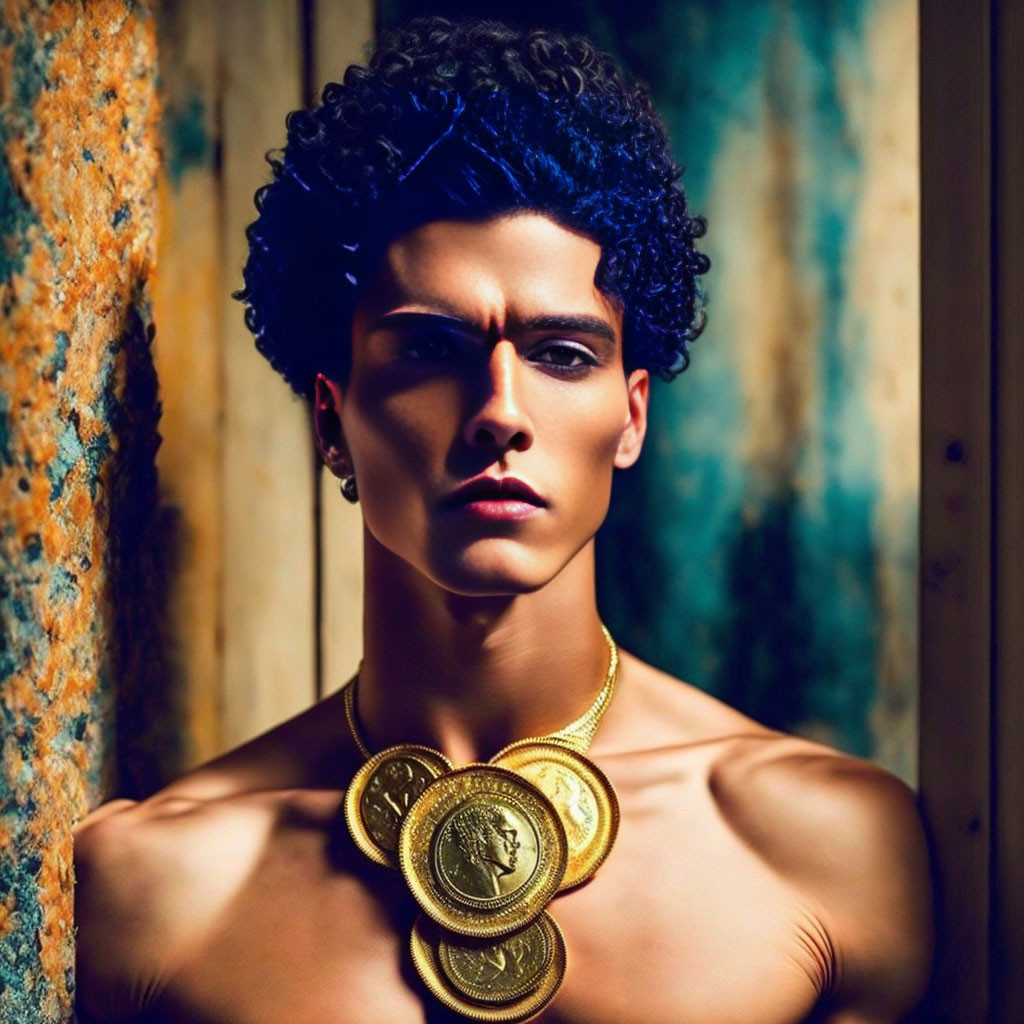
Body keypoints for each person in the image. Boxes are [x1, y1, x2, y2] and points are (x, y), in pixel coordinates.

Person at [73, 15, 934, 1024]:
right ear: (331, 419)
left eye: (562, 354)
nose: (499, 412)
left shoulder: (821, 845)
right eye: (428, 350)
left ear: (630, 413)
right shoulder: (154, 890)